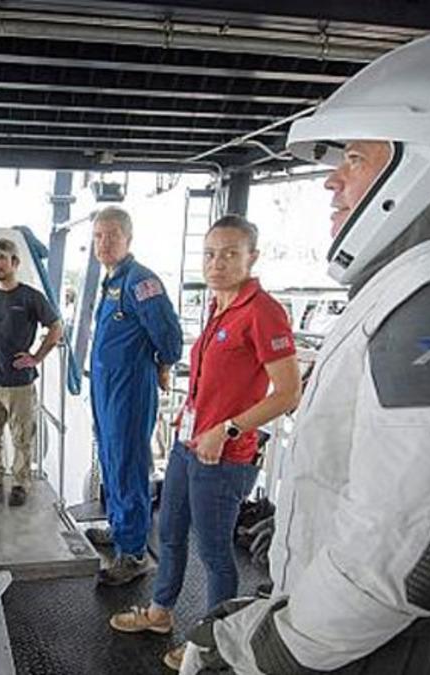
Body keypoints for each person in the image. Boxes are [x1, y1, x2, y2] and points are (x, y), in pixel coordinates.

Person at [181, 24, 430, 675]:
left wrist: (275, 647)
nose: (332, 181)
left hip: (405, 651)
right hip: (383, 639)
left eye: (354, 157)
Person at [109, 214, 300, 670]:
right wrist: (191, 420)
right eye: (210, 254)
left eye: (231, 254)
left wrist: (227, 429)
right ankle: (160, 612)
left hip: (225, 456)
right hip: (188, 443)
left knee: (215, 552)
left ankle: (214, 643)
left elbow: (289, 393)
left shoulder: (263, 311)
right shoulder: (217, 305)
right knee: (170, 532)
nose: (217, 263)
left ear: (252, 257)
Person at [88, 206, 184, 585]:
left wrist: (164, 364)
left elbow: (168, 333)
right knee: (111, 458)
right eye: (98, 236)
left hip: (129, 387)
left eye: (112, 235)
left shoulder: (141, 281)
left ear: (128, 238)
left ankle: (134, 553)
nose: (104, 243)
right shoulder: (112, 280)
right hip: (105, 387)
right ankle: (119, 526)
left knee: (128, 463)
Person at [0, 237, 64, 506]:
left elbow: (56, 327)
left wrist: (36, 357)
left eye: (2, 258)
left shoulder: (31, 297)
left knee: (22, 438)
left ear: (15, 262)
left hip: (20, 384)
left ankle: (20, 484)